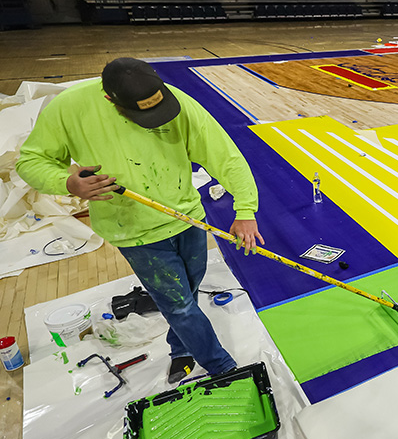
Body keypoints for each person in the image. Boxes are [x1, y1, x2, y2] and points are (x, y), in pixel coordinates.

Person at [16, 57, 264, 383]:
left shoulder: (179, 103)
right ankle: (222, 367)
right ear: (110, 100)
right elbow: (31, 161)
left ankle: (181, 348)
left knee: (186, 296)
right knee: (179, 307)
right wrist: (68, 183)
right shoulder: (69, 109)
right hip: (134, 231)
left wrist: (245, 211)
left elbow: (225, 156)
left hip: (187, 218)